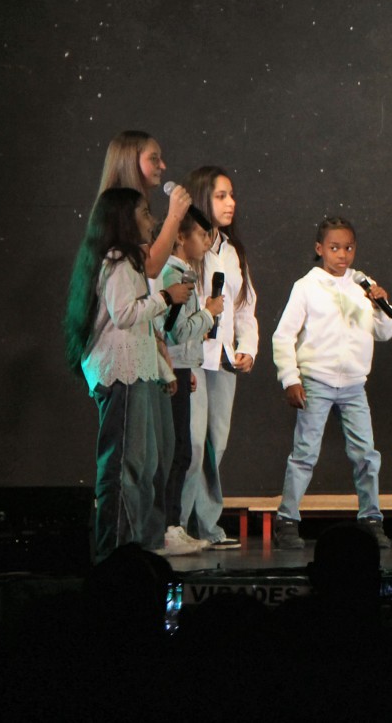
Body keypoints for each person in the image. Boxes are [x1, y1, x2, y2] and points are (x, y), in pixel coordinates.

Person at [62, 188, 191, 560]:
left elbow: (140, 331)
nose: (151, 220)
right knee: (123, 466)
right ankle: (115, 554)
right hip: (120, 374)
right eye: (144, 213)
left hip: (135, 372)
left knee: (144, 464)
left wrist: (161, 369)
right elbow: (124, 315)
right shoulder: (118, 260)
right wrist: (166, 297)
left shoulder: (127, 260)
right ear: (124, 218)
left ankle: (139, 548)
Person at [271, 218, 392, 550]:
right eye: (335, 248)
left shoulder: (363, 285)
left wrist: (380, 306)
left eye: (349, 248)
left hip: (354, 384)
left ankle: (371, 519)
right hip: (317, 380)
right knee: (305, 453)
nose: (343, 255)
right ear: (320, 249)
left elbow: (385, 331)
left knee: (366, 454)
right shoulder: (306, 286)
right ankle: (287, 520)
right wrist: (290, 378)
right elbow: (283, 336)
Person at [182, 165, 258, 548]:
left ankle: (207, 527)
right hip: (193, 359)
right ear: (202, 199)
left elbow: (245, 306)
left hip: (224, 361)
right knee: (193, 444)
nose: (231, 203)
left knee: (216, 443)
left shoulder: (232, 251)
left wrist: (247, 348)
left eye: (231, 195)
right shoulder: (186, 249)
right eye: (220, 196)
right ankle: (178, 525)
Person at [154, 210, 225, 555]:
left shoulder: (183, 272)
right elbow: (177, 331)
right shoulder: (173, 274)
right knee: (178, 450)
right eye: (200, 234)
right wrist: (209, 313)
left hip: (182, 368)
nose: (206, 241)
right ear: (181, 237)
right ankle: (168, 527)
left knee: (182, 449)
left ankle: (173, 525)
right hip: (173, 369)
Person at [96, 130, 191, 276]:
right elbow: (150, 268)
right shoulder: (119, 208)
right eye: (154, 158)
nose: (162, 166)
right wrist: (174, 216)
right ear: (130, 161)